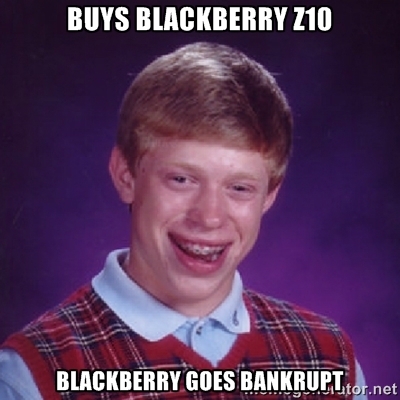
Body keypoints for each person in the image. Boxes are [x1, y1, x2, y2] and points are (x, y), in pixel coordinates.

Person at [0, 42, 367, 399]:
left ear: (269, 196)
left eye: (239, 188)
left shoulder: (328, 359)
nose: (209, 217)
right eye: (181, 179)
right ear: (126, 176)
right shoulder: (32, 378)